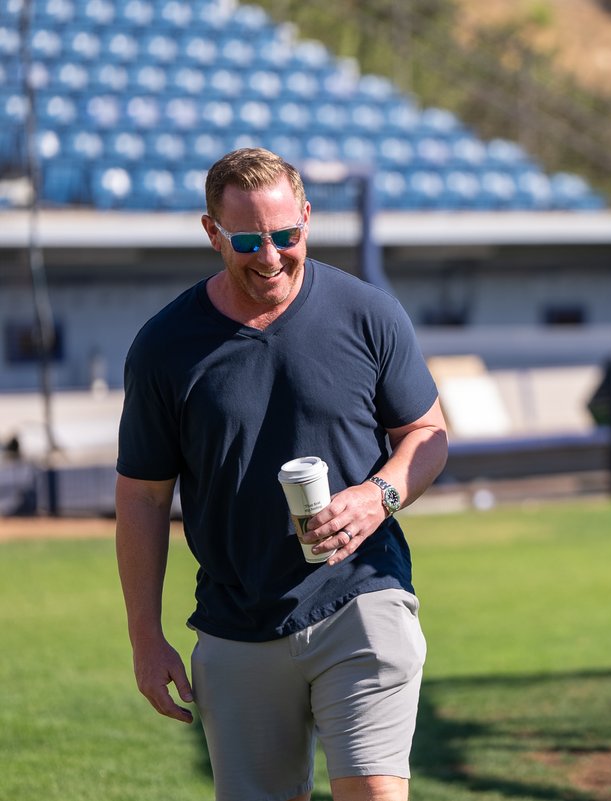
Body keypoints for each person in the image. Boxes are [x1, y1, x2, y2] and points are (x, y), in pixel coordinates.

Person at [115, 147, 448, 801]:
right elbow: (145, 499)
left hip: (363, 598)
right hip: (237, 620)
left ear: (307, 218)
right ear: (211, 232)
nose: (269, 256)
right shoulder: (165, 345)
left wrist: (377, 496)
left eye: (285, 236)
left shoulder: (367, 313)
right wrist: (146, 638)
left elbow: (426, 436)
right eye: (246, 240)